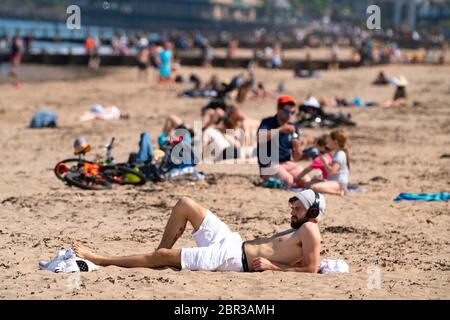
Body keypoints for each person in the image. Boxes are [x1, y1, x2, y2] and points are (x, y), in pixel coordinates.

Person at [72, 190, 325, 273]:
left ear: (312, 211)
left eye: (298, 207)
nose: (292, 210)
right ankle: (161, 254)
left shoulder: (310, 231)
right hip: (232, 241)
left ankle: (100, 259)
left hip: (233, 259)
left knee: (160, 258)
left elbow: (311, 271)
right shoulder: (303, 229)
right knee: (185, 204)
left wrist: (273, 267)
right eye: (292, 206)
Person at [257, 95, 304, 186]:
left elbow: (297, 158)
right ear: (278, 109)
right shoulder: (267, 123)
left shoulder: (293, 127)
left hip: (286, 163)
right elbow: (259, 138)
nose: (289, 115)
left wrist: (297, 148)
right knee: (289, 180)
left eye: (292, 112)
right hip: (269, 165)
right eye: (286, 111)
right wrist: (280, 129)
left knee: (305, 180)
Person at [308, 130, 350, 195]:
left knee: (314, 187)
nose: (327, 142)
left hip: (338, 183)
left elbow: (331, 172)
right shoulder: (336, 152)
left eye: (329, 140)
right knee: (308, 183)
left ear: (335, 141)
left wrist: (325, 163)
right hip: (332, 181)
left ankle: (338, 191)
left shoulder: (340, 154)